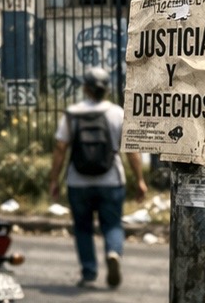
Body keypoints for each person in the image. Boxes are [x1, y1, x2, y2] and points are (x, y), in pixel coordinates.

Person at [49, 67, 145, 289]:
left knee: (82, 228)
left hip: (78, 182)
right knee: (112, 225)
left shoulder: (72, 114)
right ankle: (113, 252)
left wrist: (54, 179)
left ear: (85, 88)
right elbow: (132, 150)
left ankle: (89, 272)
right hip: (111, 180)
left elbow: (60, 148)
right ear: (107, 90)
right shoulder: (117, 113)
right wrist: (139, 179)